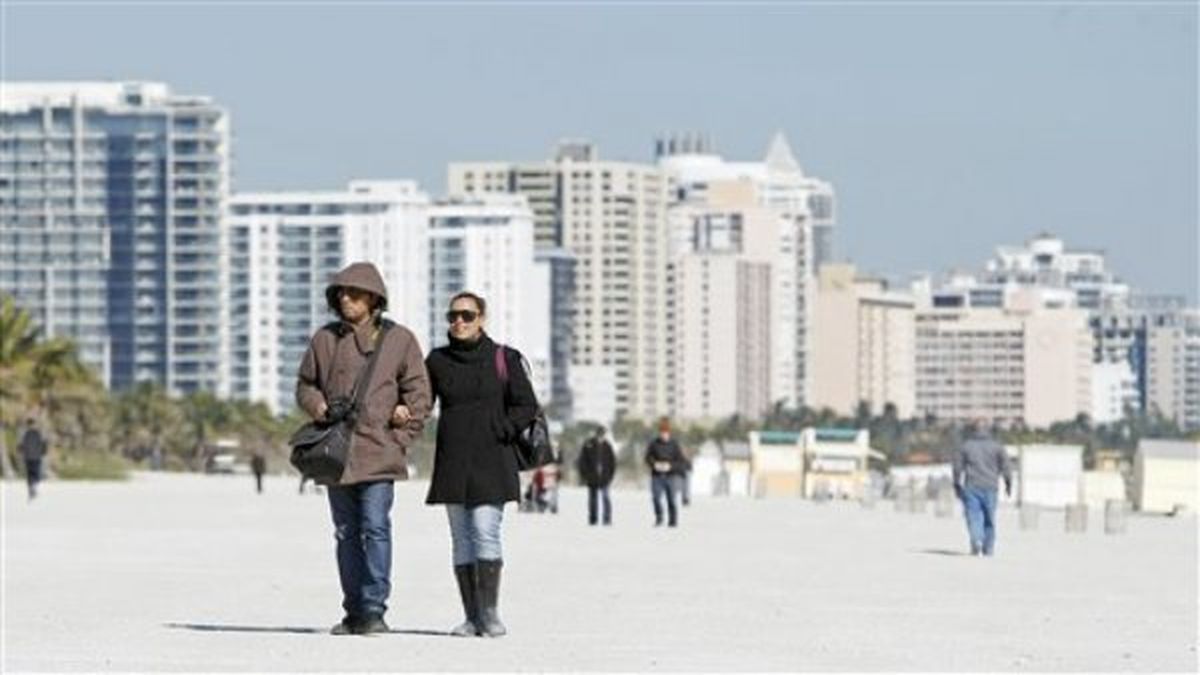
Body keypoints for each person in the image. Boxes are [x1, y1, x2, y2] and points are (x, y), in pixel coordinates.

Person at [295, 261, 432, 636]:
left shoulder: (399, 339)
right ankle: (352, 610)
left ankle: (373, 609)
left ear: (373, 299)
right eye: (340, 292)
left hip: (380, 451)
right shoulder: (324, 339)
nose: (345, 298)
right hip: (337, 454)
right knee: (344, 532)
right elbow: (305, 384)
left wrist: (401, 438)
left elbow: (420, 394)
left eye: (353, 293)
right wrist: (319, 407)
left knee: (375, 529)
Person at [425, 291, 539, 638]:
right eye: (453, 316)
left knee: (485, 531)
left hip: (493, 459)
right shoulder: (437, 360)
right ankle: (471, 616)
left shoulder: (504, 357)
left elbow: (526, 406)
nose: (459, 321)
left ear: (482, 319)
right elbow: (421, 402)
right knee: (461, 539)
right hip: (453, 460)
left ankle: (490, 615)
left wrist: (501, 428)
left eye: (467, 315)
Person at [952, 418, 1013, 557]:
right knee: (989, 518)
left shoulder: (966, 446)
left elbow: (957, 467)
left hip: (972, 486)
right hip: (991, 487)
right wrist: (1008, 483)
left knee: (973, 516)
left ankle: (976, 540)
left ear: (974, 430)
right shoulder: (997, 446)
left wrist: (956, 483)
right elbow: (1006, 466)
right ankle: (988, 548)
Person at [644, 417, 686, 527]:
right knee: (655, 498)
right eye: (662, 433)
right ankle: (659, 517)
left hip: (670, 476)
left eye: (666, 433)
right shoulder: (654, 444)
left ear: (669, 433)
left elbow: (681, 461)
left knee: (671, 499)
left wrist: (670, 466)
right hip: (657, 476)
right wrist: (655, 464)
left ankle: (673, 521)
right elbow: (647, 458)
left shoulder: (675, 445)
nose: (664, 435)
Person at [576, 425, 616, 526]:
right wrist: (585, 475)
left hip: (605, 478)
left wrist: (610, 476)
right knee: (593, 500)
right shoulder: (588, 444)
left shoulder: (608, 446)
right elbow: (582, 461)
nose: (601, 436)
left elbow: (613, 463)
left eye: (602, 434)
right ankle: (593, 519)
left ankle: (607, 519)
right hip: (592, 477)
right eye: (599, 434)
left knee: (606, 498)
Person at [18, 417, 48, 501]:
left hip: (32, 457)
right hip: (33, 457)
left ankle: (32, 489)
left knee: (33, 474)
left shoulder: (30, 433)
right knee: (33, 474)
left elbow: (21, 445)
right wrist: (44, 452)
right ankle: (32, 489)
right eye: (31, 424)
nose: (31, 426)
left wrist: (43, 451)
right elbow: (43, 444)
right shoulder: (33, 433)